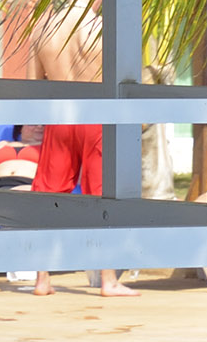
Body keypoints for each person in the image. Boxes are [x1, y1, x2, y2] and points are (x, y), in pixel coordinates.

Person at [32, 123, 137, 298]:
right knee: (103, 195)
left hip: (62, 113)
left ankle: (42, 279)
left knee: (48, 193)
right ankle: (109, 281)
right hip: (97, 114)